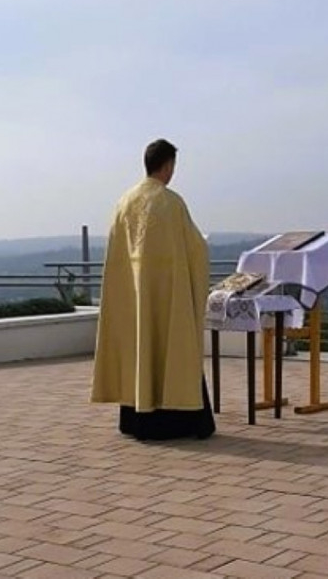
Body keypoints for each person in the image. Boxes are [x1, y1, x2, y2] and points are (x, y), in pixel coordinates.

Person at [91, 139, 215, 440]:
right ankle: (178, 420)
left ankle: (135, 419)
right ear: (168, 165)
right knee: (171, 348)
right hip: (168, 295)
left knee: (140, 348)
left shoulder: (125, 202)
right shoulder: (170, 203)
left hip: (133, 296)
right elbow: (195, 248)